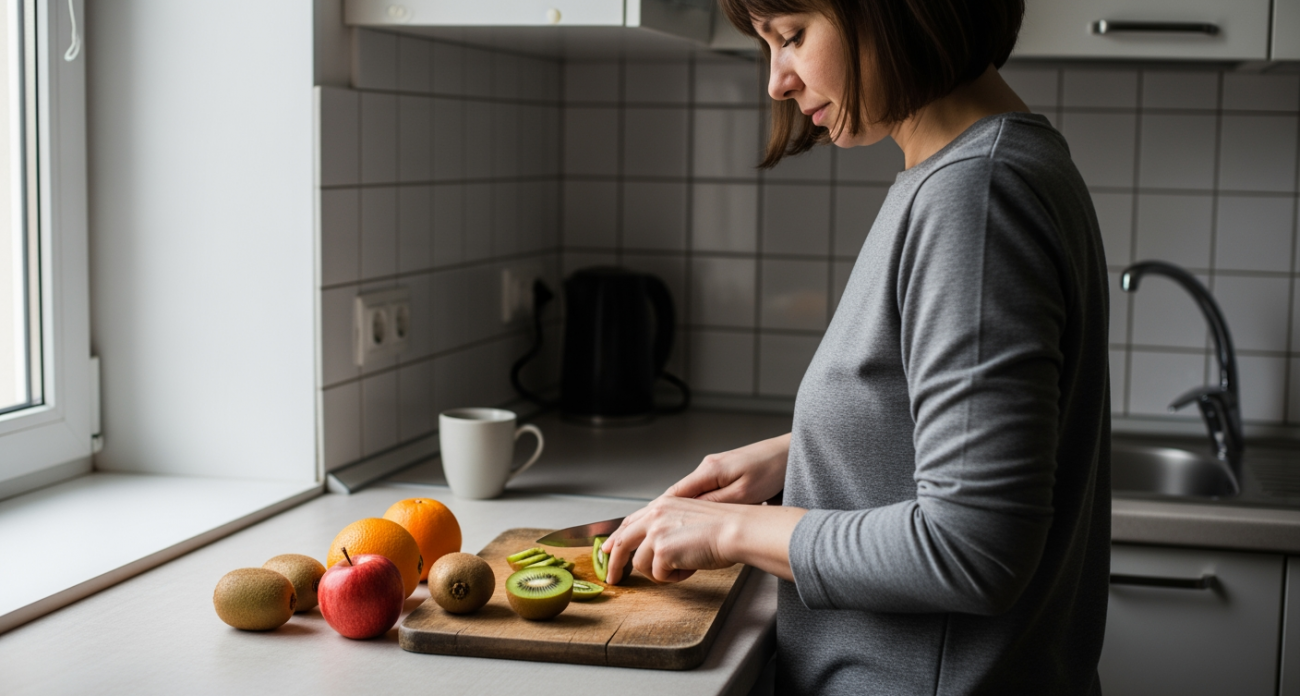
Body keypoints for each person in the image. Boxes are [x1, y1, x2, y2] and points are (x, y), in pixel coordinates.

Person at [599, 0, 1111, 693]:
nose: (776, 81)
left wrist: (727, 532)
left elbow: (971, 551)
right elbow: (934, 414)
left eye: (792, 36)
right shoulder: (983, 167)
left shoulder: (975, 195)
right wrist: (803, 451)